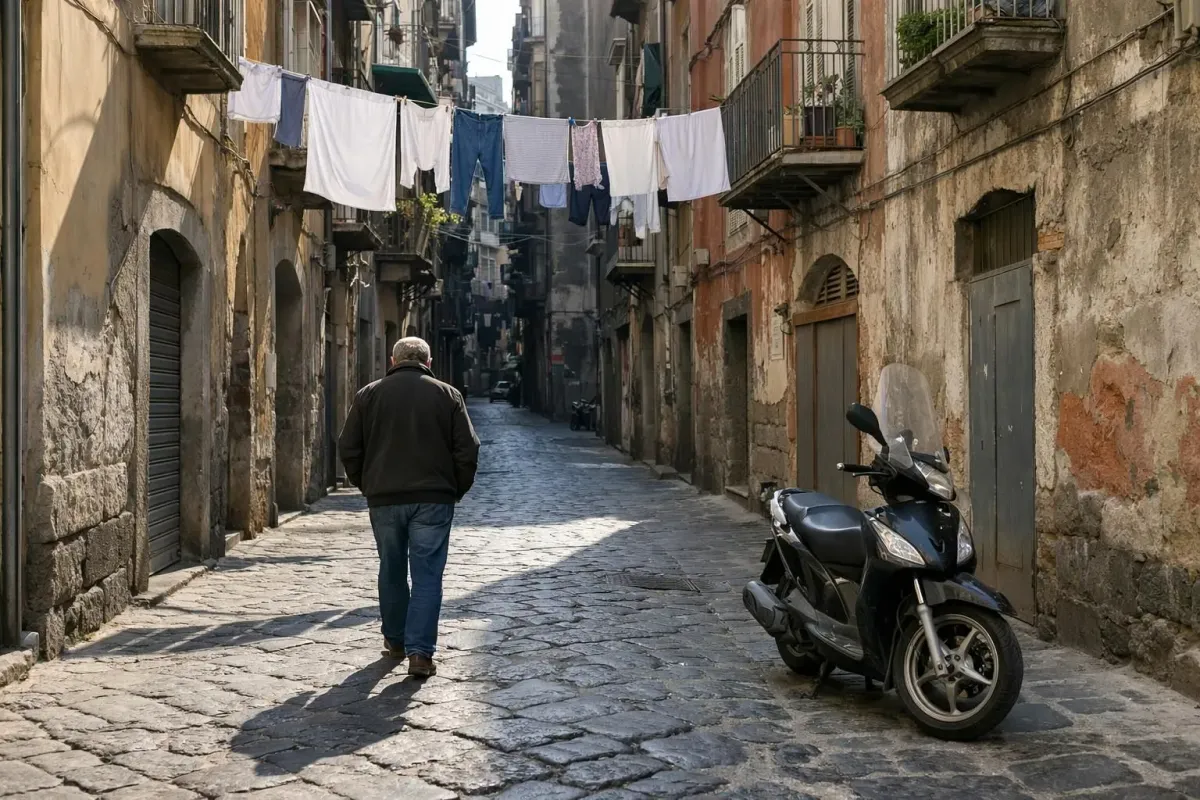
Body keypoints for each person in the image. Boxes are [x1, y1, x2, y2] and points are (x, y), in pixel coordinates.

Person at [338, 336, 480, 677]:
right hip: (433, 499)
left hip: (384, 498)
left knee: (391, 568)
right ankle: (420, 654)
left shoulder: (368, 395)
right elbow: (468, 449)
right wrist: (455, 489)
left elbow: (348, 447)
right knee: (427, 574)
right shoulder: (448, 395)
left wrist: (368, 484)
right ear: (428, 363)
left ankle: (396, 640)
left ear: (393, 361)